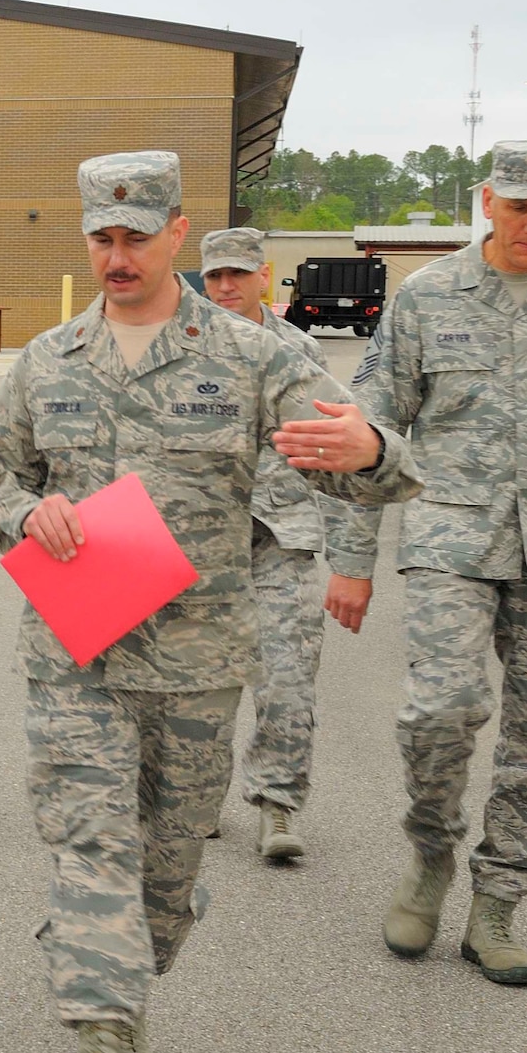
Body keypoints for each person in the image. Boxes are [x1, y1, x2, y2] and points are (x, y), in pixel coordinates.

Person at [0, 151, 420, 1053]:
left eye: (136, 236)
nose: (117, 255)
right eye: (101, 237)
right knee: (89, 839)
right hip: (73, 649)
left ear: (178, 232)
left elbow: (367, 469)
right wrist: (22, 507)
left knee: (163, 870)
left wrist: (371, 454)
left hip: (198, 656)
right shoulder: (48, 361)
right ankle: (93, 1042)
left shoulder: (250, 357)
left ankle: (129, 969)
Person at [323, 141, 527, 987]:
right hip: (450, 540)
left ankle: (497, 905)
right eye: (518, 206)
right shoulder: (428, 298)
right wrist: (352, 557)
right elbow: (369, 429)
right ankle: (431, 852)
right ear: (488, 201)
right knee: (443, 707)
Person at [198, 225, 343, 861]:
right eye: (214, 276)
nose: (226, 287)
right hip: (200, 540)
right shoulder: (175, 348)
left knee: (287, 676)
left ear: (264, 274)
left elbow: (336, 446)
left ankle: (278, 804)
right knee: (198, 680)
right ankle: (196, 798)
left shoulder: (300, 351)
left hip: (283, 536)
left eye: (238, 274)